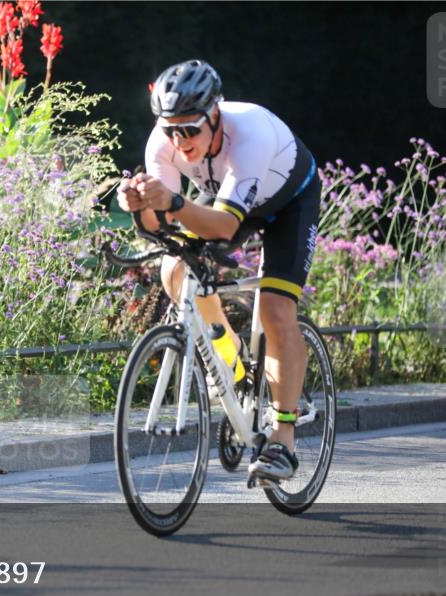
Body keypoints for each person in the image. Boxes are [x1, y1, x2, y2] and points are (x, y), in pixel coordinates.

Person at [117, 59, 321, 482]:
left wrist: (170, 203)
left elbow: (225, 226)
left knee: (276, 310)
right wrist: (139, 205)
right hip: (232, 202)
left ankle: (283, 439)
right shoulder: (164, 142)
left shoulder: (248, 134)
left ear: (215, 115)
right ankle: (231, 366)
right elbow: (163, 224)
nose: (179, 140)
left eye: (190, 129)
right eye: (171, 129)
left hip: (288, 204)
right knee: (174, 268)